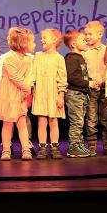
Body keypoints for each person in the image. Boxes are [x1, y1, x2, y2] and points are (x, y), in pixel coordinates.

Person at [0, 27, 35, 161]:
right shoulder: (9, 58)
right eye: (32, 42)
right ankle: (6, 150)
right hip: (9, 94)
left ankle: (26, 149)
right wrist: (26, 89)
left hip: (21, 94)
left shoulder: (29, 60)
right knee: (8, 123)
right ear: (23, 43)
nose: (34, 44)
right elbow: (14, 77)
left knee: (22, 122)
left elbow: (29, 76)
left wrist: (26, 91)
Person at [31, 29, 67, 160]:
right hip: (40, 94)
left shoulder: (59, 58)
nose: (42, 40)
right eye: (41, 38)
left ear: (54, 40)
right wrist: (31, 89)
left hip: (53, 95)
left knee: (53, 121)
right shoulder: (38, 56)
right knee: (41, 121)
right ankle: (42, 148)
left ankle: (55, 147)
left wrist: (61, 96)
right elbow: (32, 75)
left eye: (45, 37)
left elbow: (62, 79)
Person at [83, 20, 107, 155]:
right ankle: (92, 145)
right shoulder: (84, 52)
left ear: (100, 34)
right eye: (86, 34)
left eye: (90, 34)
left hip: (105, 89)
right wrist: (89, 81)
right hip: (91, 89)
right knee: (91, 119)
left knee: (106, 119)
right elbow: (83, 70)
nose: (87, 37)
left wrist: (103, 80)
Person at [63, 30, 93, 158]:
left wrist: (90, 82)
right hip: (74, 94)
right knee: (77, 121)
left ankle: (79, 144)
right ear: (74, 44)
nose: (86, 42)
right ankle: (73, 147)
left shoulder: (80, 58)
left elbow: (82, 76)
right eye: (83, 40)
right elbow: (71, 77)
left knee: (80, 121)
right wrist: (88, 83)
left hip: (82, 93)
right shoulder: (71, 58)